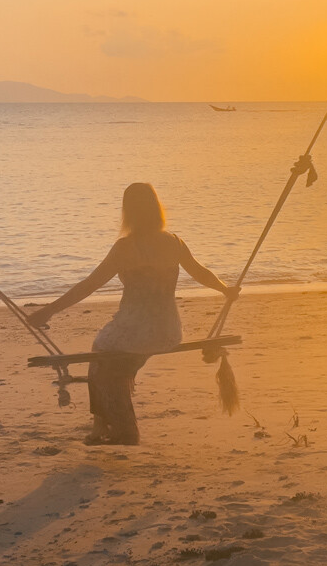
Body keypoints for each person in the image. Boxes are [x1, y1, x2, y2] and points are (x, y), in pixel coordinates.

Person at [28, 183, 238, 445]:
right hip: (168, 331)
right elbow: (201, 273)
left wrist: (48, 312)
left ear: (128, 212)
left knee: (101, 351)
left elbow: (89, 285)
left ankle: (109, 427)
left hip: (134, 330)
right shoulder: (174, 242)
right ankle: (109, 423)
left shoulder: (125, 248)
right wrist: (225, 289)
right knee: (118, 364)